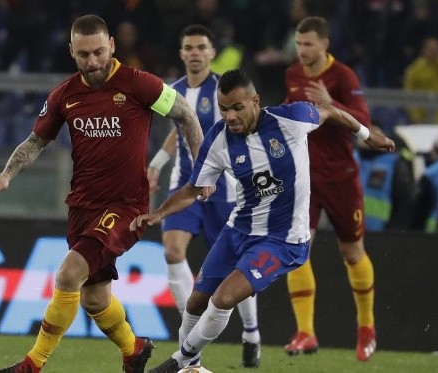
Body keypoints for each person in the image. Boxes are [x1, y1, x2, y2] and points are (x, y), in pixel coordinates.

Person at [0, 15, 205, 373]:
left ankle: (31, 365)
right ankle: (134, 349)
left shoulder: (139, 84)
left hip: (126, 206)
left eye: (99, 52)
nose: (93, 62)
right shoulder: (65, 95)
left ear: (112, 45)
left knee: (69, 274)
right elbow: (37, 139)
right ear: (72, 51)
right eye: (84, 54)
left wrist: (201, 169)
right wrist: (7, 174)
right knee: (93, 298)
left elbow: (185, 114)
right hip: (83, 205)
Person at [135, 69, 395, 373]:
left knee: (223, 299)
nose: (229, 116)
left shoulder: (291, 119)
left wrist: (367, 136)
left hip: (282, 241)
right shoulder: (218, 139)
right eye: (224, 108)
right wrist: (159, 213)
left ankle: (176, 363)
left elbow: (331, 111)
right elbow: (192, 189)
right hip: (237, 231)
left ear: (255, 101)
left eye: (237, 107)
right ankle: (191, 366)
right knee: (195, 303)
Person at [146, 24, 261, 368]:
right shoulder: (174, 91)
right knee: (171, 250)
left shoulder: (224, 91)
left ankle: (252, 332)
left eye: (201, 47)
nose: (195, 53)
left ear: (211, 53)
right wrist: (157, 163)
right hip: (186, 186)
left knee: (236, 270)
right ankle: (190, 339)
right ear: (181, 54)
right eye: (189, 47)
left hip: (225, 190)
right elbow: (179, 132)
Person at [282, 16, 377, 361]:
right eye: (299, 43)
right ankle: (305, 332)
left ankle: (366, 328)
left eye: (308, 44)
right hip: (305, 178)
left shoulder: (343, 76)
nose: (302, 50)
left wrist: (330, 102)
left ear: (325, 44)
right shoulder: (292, 75)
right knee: (296, 250)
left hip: (341, 178)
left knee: (352, 253)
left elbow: (364, 123)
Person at [355, 125, 415, 231]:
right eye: (364, 132)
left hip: (381, 233)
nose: (367, 137)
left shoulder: (394, 163)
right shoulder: (349, 158)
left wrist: (394, 230)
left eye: (372, 132)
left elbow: (404, 200)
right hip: (345, 232)